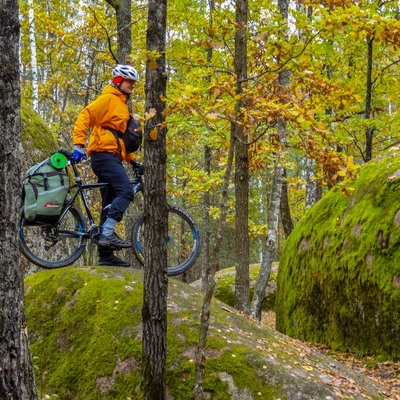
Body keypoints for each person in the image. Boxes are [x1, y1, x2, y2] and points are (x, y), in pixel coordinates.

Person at [72, 64, 141, 267]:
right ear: (118, 81)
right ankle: (108, 233)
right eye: (130, 82)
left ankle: (105, 256)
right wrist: (78, 144)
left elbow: (118, 139)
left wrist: (132, 160)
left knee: (108, 205)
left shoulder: (121, 105)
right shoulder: (109, 99)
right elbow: (85, 115)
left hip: (111, 155)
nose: (132, 86)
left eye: (134, 83)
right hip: (103, 156)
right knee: (127, 192)